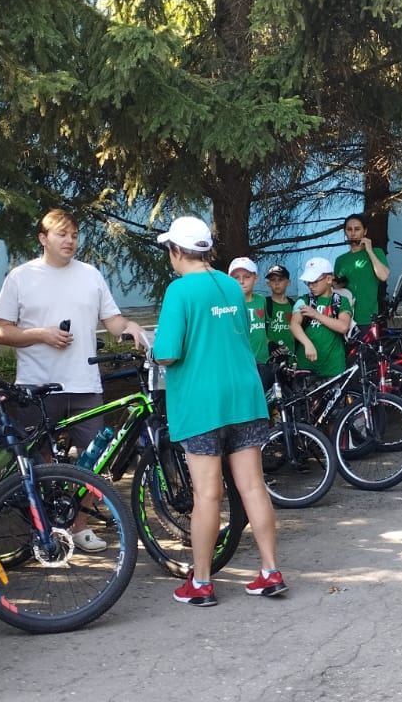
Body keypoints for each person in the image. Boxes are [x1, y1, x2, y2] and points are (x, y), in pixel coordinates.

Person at [151, 216, 284, 606]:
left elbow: (168, 353)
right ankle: (270, 571)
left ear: (177, 251)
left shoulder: (179, 290)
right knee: (252, 486)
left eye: (169, 250)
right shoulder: (229, 284)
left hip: (202, 401)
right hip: (244, 395)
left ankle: (202, 582)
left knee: (207, 495)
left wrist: (150, 348)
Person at [0, 210, 151, 459]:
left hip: (84, 385)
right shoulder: (20, 277)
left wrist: (130, 326)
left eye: (74, 235)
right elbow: (1, 332)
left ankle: (82, 487)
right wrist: (41, 334)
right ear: (43, 238)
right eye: (62, 234)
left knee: (95, 459)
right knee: (37, 462)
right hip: (37, 386)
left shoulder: (91, 274)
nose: (70, 241)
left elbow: (113, 321)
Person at [289, 258, 353, 379]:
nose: (310, 286)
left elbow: (343, 326)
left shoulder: (340, 301)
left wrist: (316, 314)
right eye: (308, 282)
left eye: (314, 282)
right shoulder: (304, 300)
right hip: (305, 367)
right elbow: (294, 325)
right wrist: (307, 343)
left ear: (329, 279)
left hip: (333, 368)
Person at [332, 214, 389, 326]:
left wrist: (369, 251)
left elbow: (384, 276)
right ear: (345, 232)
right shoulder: (340, 260)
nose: (353, 233)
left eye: (357, 229)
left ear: (365, 231)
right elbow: (337, 289)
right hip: (345, 318)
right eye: (349, 229)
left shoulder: (377, 252)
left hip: (368, 317)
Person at [229, 257, 270, 365]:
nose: (241, 281)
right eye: (236, 277)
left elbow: (262, 330)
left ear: (255, 279)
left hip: (262, 360)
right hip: (239, 362)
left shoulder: (261, 300)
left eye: (247, 277)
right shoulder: (226, 305)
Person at [262, 265, 294, 352]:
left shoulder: (293, 305)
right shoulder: (264, 303)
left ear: (288, 282)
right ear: (268, 283)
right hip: (270, 355)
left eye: (280, 279)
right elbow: (258, 330)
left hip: (291, 354)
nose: (277, 283)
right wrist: (270, 345)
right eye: (273, 280)